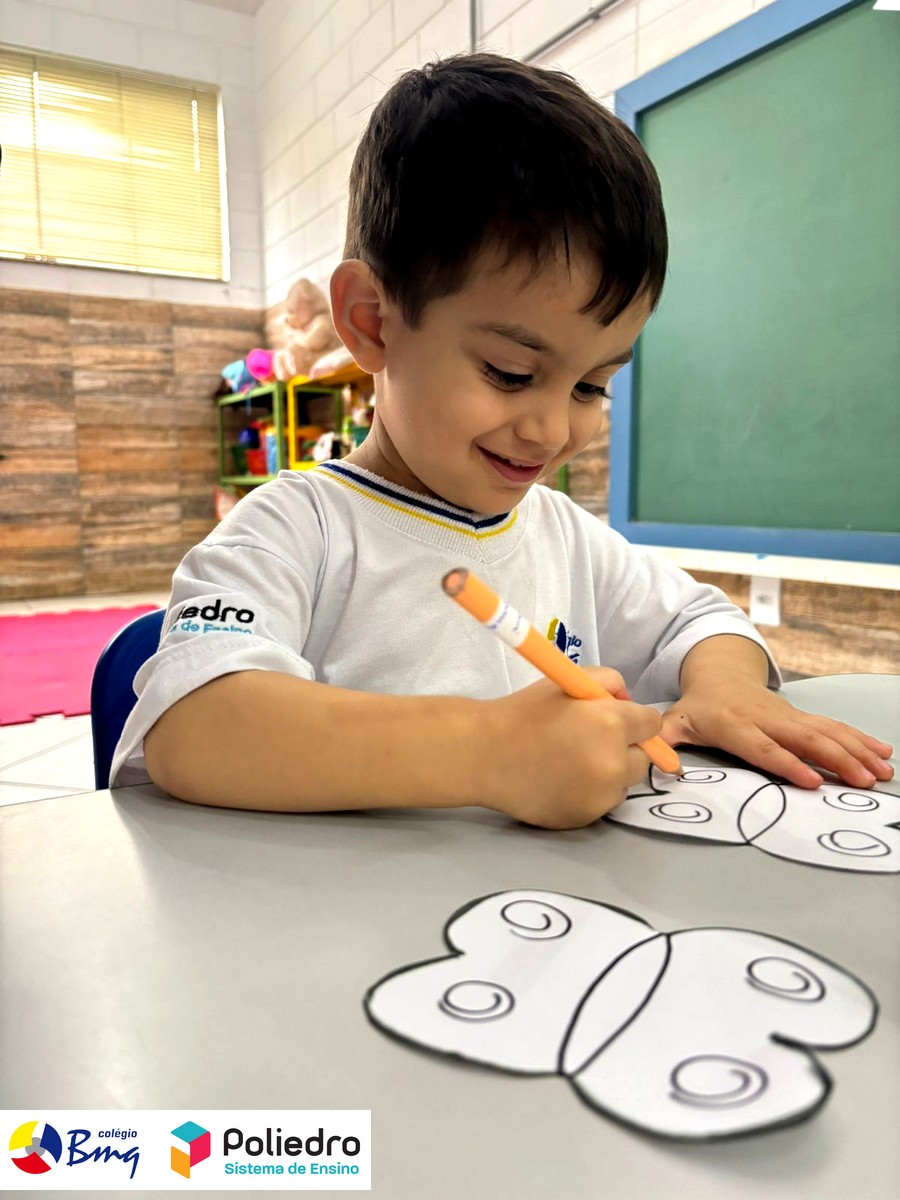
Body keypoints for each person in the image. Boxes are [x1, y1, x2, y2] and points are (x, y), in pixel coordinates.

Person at [116, 54, 893, 828]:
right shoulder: (295, 531)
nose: (554, 430)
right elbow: (193, 727)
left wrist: (727, 689)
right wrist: (486, 753)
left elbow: (703, 622)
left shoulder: (565, 538)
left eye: (591, 386)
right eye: (511, 372)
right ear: (371, 322)